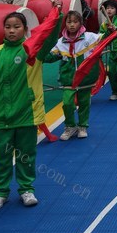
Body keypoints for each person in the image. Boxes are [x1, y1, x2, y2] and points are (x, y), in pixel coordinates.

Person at [0, 5, 61, 211]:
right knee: (2, 156)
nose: (11, 30)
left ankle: (26, 189)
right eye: (7, 26)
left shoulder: (33, 49)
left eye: (16, 26)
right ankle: (0, 192)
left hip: (27, 113)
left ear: (25, 29)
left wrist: (57, 16)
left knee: (26, 154)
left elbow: (51, 38)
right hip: (2, 115)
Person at [45, 10, 100, 140]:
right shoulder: (60, 42)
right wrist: (40, 49)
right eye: (69, 22)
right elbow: (49, 57)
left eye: (75, 22)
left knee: (84, 102)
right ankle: (70, 126)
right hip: (68, 79)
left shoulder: (90, 37)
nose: (72, 25)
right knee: (67, 103)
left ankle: (82, 126)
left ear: (81, 23)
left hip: (85, 78)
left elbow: (106, 39)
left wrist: (111, 30)